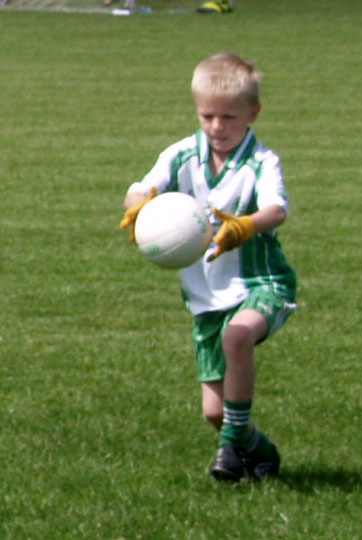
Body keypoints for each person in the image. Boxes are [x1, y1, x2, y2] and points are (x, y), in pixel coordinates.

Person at [120, 52, 297, 482]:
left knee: (238, 336)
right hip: (206, 297)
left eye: (229, 118)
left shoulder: (261, 162)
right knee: (215, 411)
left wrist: (245, 226)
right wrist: (139, 211)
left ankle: (228, 453)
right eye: (208, 116)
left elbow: (277, 209)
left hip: (261, 283)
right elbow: (141, 189)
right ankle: (257, 452)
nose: (217, 127)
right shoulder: (181, 156)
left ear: (253, 113)